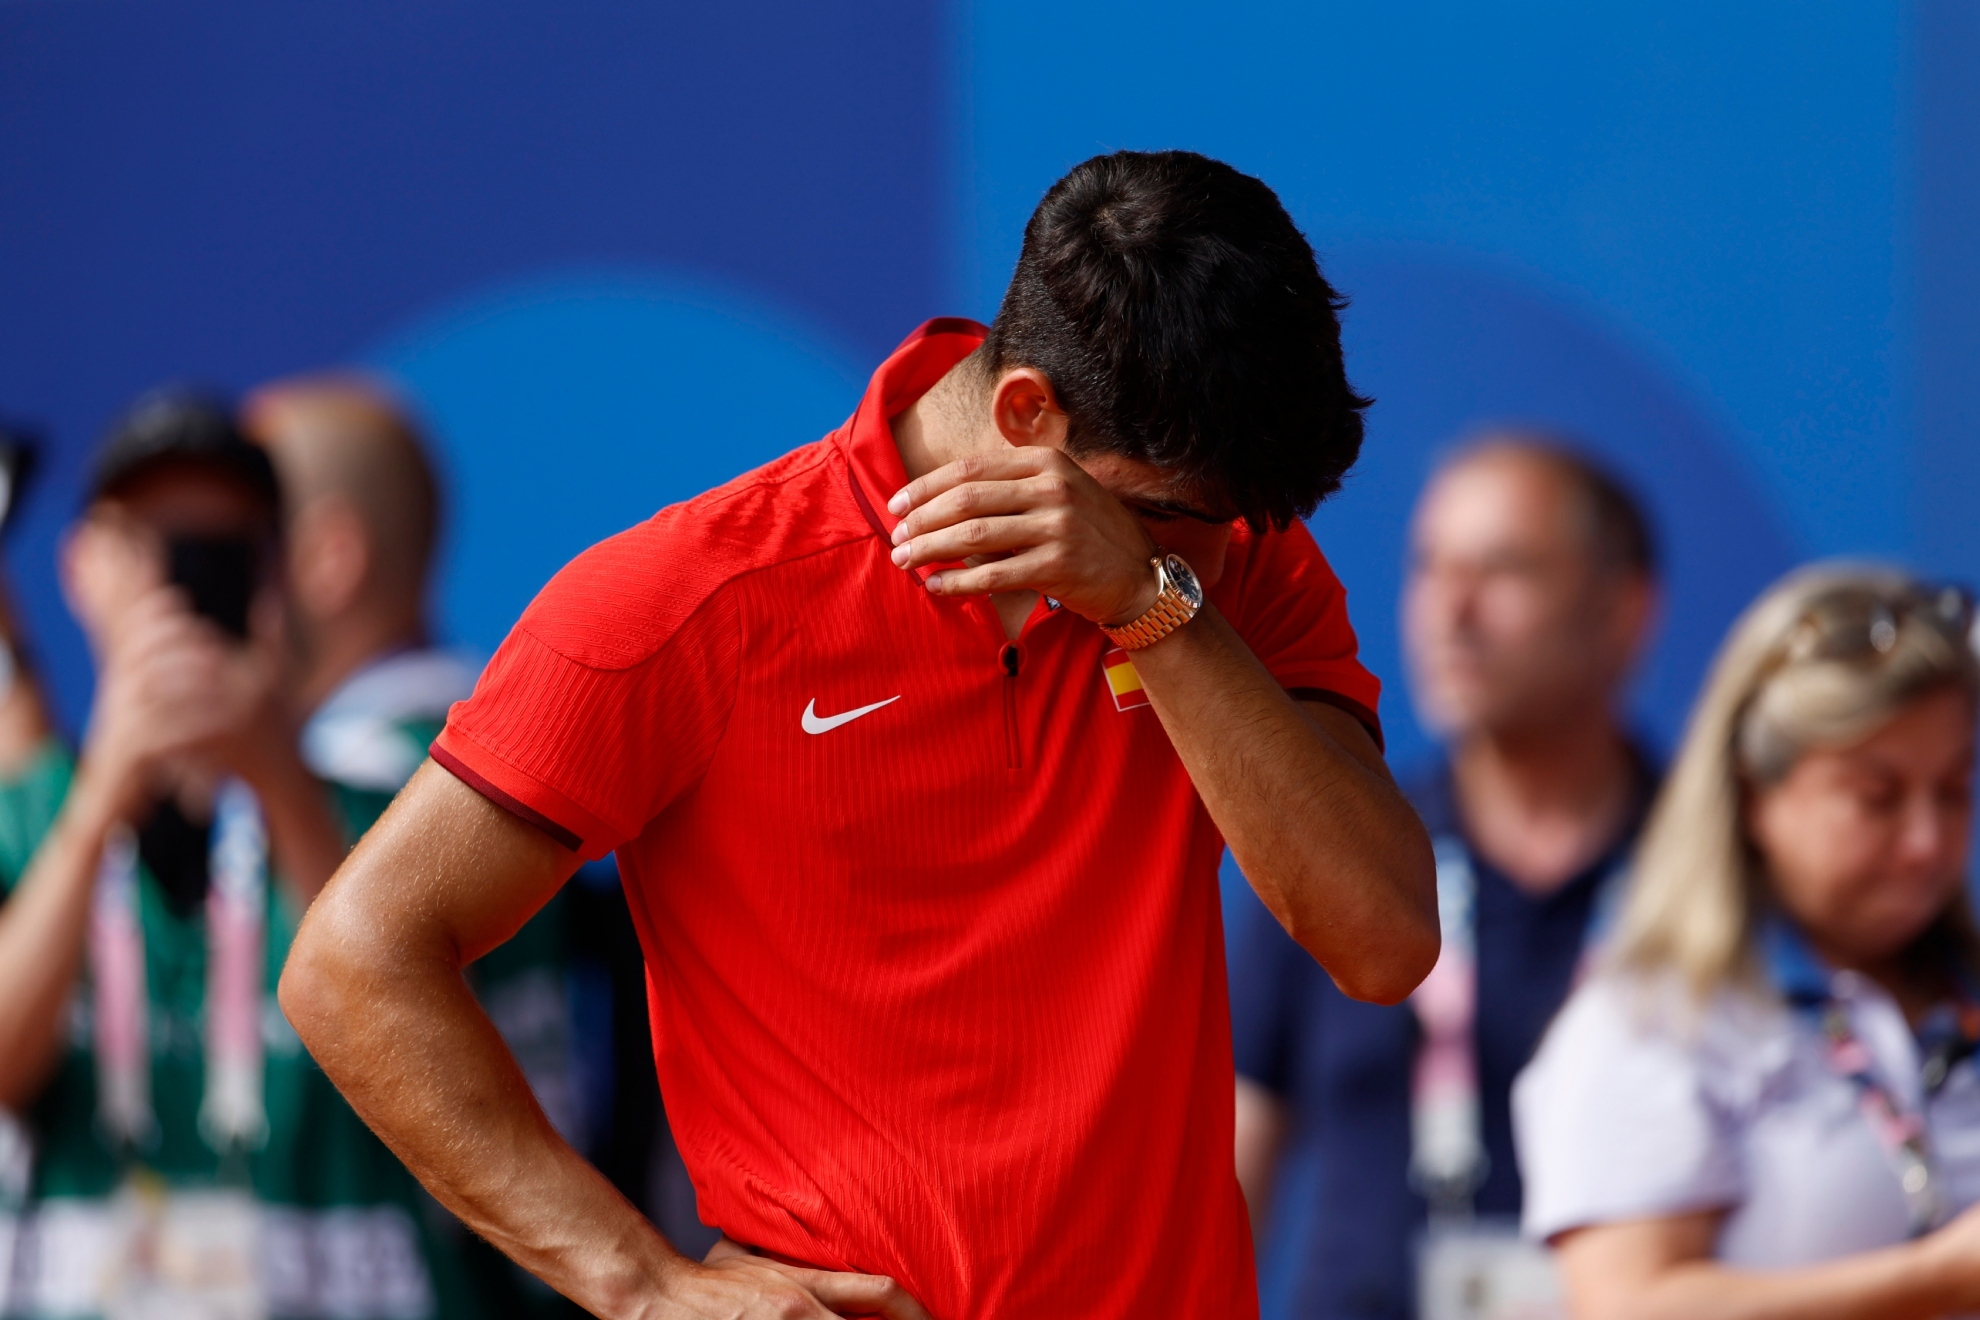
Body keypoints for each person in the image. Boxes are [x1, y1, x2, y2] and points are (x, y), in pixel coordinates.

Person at [279, 149, 1441, 1319]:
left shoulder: (1212, 576)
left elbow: (1383, 943)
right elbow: (353, 962)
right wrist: (641, 1285)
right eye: (1180, 517)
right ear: (1026, 414)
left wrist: (1153, 604)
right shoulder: (690, 599)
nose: (1223, 558)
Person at [0, 391, 471, 1317]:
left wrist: (280, 781)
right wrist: (101, 802)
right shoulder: (27, 816)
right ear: (81, 567)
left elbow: (446, 1092)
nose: (184, 583)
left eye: (223, 549)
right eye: (154, 546)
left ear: (282, 574)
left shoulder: (391, 819)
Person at [246, 372, 670, 1311]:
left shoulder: (384, 786)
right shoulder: (509, 760)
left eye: (241, 544)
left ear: (327, 557)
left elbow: (351, 1006)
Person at [1229, 436, 1660, 1319]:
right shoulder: (1340, 854)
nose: (1452, 611)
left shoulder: (1720, 862)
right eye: (1432, 567)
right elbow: (1227, 1177)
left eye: (1504, 570)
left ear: (1623, 611)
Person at [1514, 564, 1980, 1320]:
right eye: (1877, 798)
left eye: (1955, 791)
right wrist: (1938, 1279)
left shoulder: (1962, 993)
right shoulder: (1650, 1022)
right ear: (1753, 791)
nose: (1927, 841)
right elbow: (1626, 1305)